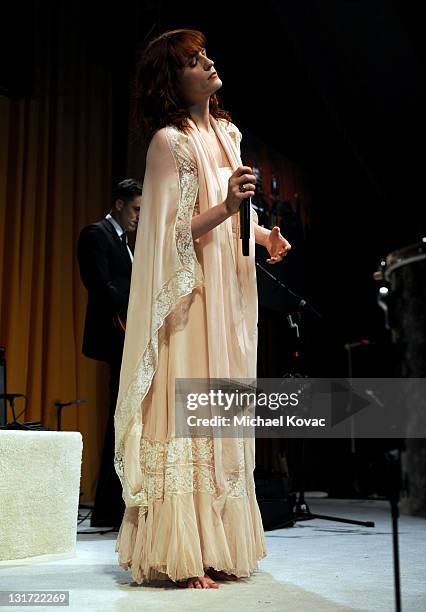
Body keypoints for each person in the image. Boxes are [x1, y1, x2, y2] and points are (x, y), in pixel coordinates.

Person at [114, 29, 291, 588]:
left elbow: (232, 217)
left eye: (206, 55)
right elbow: (165, 238)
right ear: (173, 81)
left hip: (230, 293)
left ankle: (218, 545)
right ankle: (182, 553)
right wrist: (225, 207)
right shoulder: (169, 143)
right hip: (191, 298)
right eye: (194, 61)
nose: (208, 63)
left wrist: (261, 236)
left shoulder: (229, 134)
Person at [77, 178, 142, 527]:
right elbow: (101, 287)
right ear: (119, 204)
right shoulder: (95, 234)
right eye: (135, 209)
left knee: (124, 416)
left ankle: (112, 507)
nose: (137, 217)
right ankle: (108, 508)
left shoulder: (124, 240)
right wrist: (137, 306)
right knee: (120, 417)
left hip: (126, 336)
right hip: (114, 335)